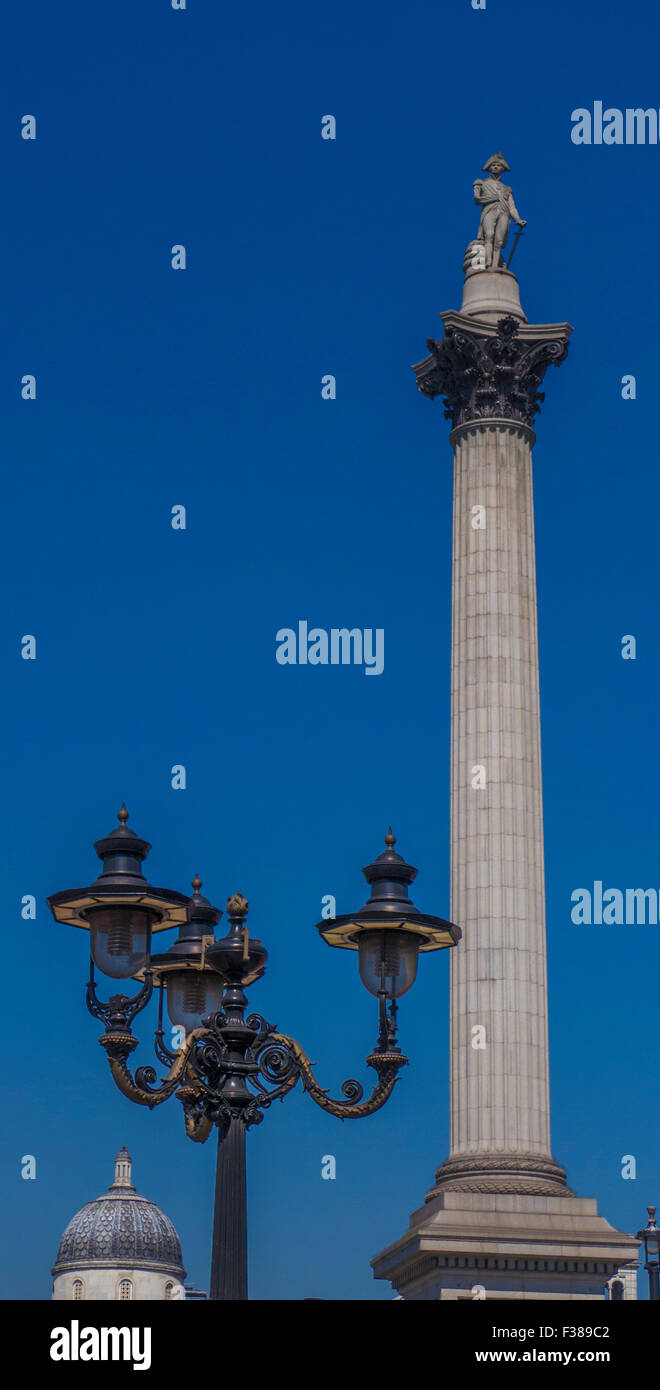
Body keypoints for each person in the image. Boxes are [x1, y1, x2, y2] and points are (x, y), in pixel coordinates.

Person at [473, 152, 526, 270]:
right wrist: (491, 199)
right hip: (489, 211)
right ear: (489, 167)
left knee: (499, 241)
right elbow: (477, 199)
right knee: (489, 235)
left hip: (504, 213)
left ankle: (495, 266)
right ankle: (487, 264)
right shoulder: (481, 183)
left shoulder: (506, 188)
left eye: (498, 165)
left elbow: (512, 207)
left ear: (502, 168)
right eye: (493, 165)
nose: (496, 167)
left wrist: (518, 219)